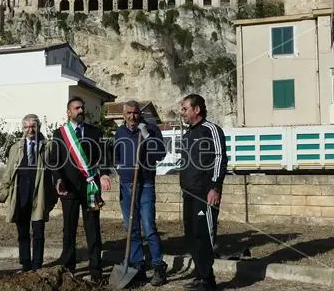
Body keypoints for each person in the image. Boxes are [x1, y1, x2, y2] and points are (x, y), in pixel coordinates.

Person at [48, 96, 112, 283]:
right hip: (69, 190)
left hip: (91, 187)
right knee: (69, 229)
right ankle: (68, 267)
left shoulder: (95, 132)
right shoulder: (60, 133)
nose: (81, 111)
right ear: (68, 112)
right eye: (76, 108)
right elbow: (55, 161)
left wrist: (106, 174)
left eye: (82, 108)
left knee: (93, 229)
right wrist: (58, 180)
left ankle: (95, 269)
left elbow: (104, 157)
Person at [113, 100, 168, 286]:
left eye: (135, 113)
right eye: (128, 113)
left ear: (140, 113)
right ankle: (137, 266)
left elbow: (160, 153)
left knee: (148, 226)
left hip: (145, 184)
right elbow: (116, 155)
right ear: (123, 114)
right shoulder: (120, 132)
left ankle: (159, 265)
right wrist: (120, 168)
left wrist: (146, 135)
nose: (132, 116)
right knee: (131, 227)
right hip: (126, 185)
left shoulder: (151, 129)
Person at [0, 114, 56, 272]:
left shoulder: (47, 146)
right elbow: (8, 174)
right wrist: (1, 195)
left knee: (38, 232)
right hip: (20, 195)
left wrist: (53, 196)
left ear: (38, 127)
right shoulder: (15, 148)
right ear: (23, 129)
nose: (30, 130)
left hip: (39, 195)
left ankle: (37, 265)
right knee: (22, 233)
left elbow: (54, 172)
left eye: (33, 126)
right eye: (26, 127)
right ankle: (25, 264)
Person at [178, 94, 227, 291]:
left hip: (205, 193)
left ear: (196, 110)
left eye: (184, 109)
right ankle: (200, 276)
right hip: (188, 194)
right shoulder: (187, 134)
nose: (182, 113)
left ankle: (207, 280)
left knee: (204, 235)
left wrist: (215, 187)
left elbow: (220, 159)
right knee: (191, 235)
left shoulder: (212, 130)